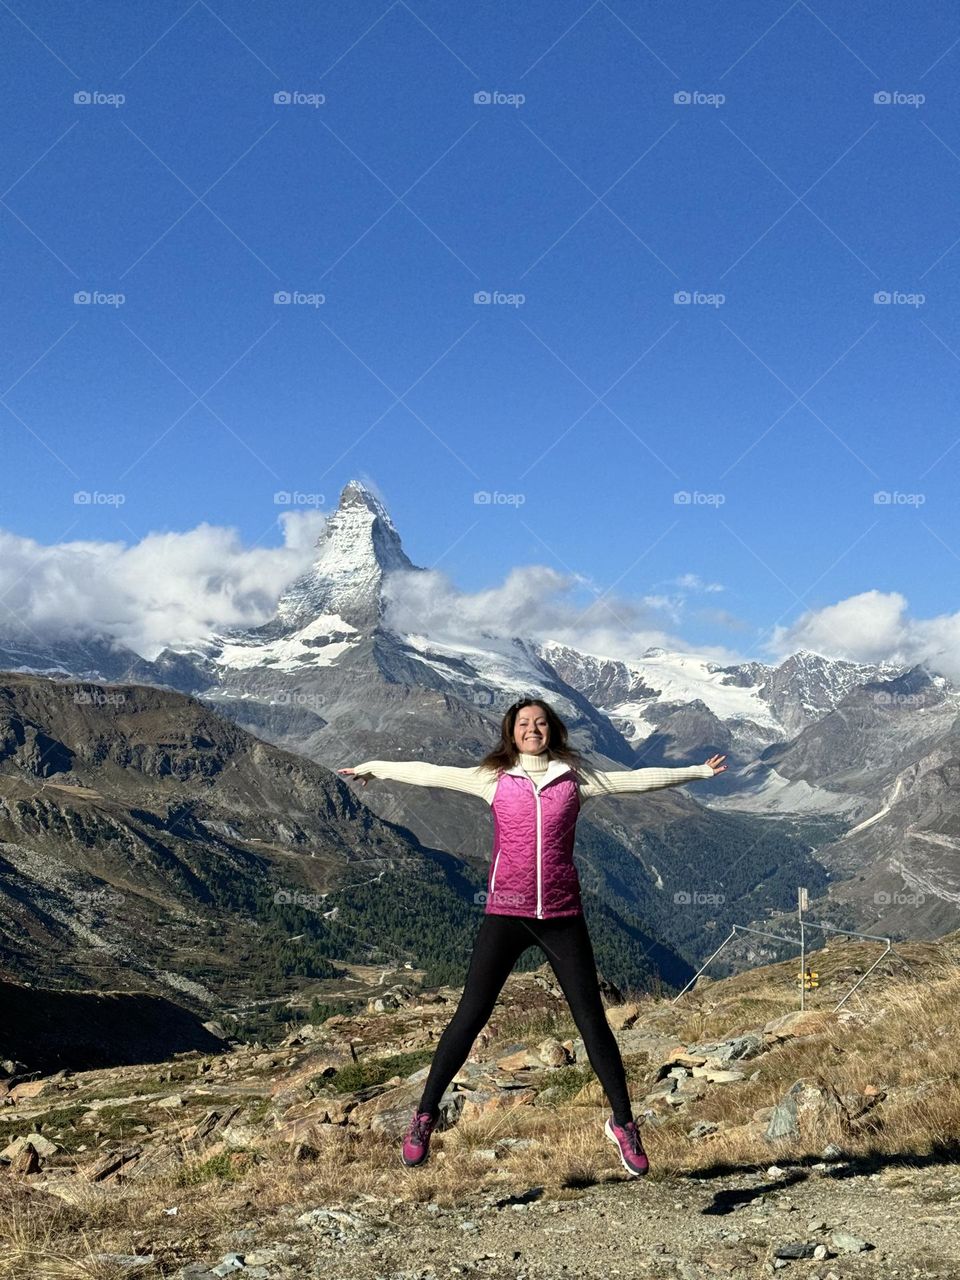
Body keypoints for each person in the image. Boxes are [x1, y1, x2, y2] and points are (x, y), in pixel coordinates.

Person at [338, 697, 726, 1176]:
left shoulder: (574, 778)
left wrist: (700, 773)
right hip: (506, 914)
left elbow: (638, 781)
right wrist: (377, 768)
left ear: (552, 730)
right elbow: (430, 772)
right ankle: (424, 1116)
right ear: (512, 732)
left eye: (540, 723)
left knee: (593, 1022)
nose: (532, 729)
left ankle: (623, 1124)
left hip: (562, 915)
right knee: (470, 1015)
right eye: (524, 723)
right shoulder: (492, 778)